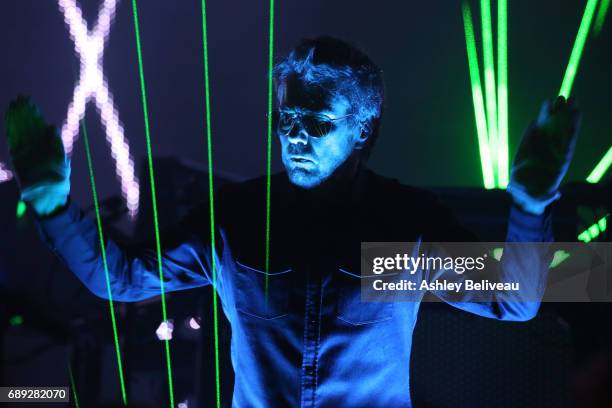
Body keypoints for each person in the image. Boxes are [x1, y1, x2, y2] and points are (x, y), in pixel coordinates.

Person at [5, 36, 580, 407]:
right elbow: (122, 278)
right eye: (286, 118)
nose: (295, 134)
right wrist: (53, 204)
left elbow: (514, 300)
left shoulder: (401, 224)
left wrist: (532, 206)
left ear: (363, 130)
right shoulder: (238, 219)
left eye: (317, 120)